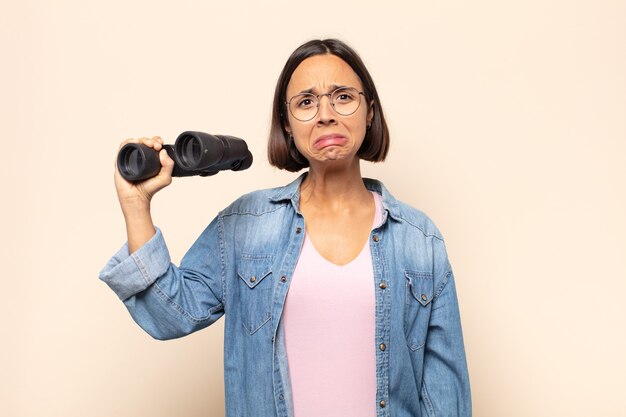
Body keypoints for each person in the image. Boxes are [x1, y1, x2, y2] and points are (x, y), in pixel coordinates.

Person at [100, 38, 471, 417]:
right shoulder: (246, 226)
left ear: (370, 112)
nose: (326, 114)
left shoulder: (419, 239)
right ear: (288, 124)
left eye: (343, 97)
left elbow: (446, 397)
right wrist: (136, 206)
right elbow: (169, 316)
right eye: (306, 102)